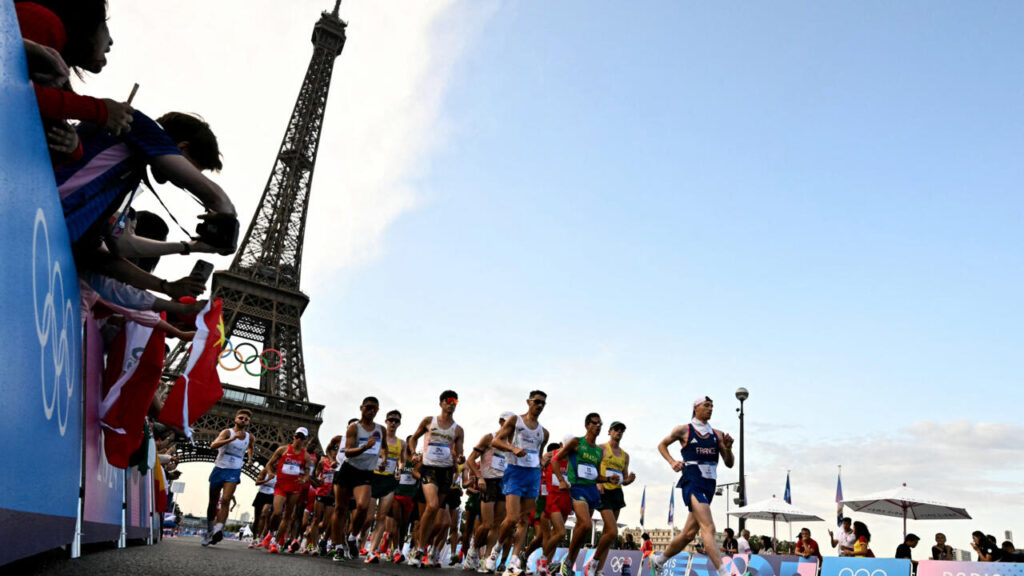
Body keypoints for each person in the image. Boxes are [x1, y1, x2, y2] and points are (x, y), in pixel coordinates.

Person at [648, 397, 735, 576]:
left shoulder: (717, 434)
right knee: (709, 528)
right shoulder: (684, 430)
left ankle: (658, 560)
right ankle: (724, 573)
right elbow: (661, 445)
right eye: (707, 405)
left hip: (710, 484)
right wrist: (672, 462)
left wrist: (728, 449)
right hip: (692, 480)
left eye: (712, 406)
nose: (711, 409)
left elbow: (729, 463)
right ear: (696, 408)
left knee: (688, 533)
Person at [490, 391, 550, 576]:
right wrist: (513, 448)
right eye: (537, 401)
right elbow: (496, 441)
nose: (539, 405)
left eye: (543, 403)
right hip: (515, 472)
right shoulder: (516, 421)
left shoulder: (544, 432)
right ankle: (497, 548)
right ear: (529, 402)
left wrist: (542, 462)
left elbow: (538, 456)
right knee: (512, 518)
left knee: (525, 520)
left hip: (532, 475)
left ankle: (513, 562)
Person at [408, 390, 466, 567]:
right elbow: (414, 438)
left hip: (446, 472)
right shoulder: (429, 421)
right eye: (449, 400)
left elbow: (460, 452)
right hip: (429, 468)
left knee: (437, 517)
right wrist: (413, 454)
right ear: (441, 403)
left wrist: (460, 458)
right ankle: (418, 549)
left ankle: (421, 546)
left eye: (455, 401)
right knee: (432, 506)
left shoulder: (458, 429)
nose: (452, 404)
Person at [553, 413, 612, 576]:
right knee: (585, 524)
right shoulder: (576, 442)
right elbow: (555, 460)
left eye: (600, 423)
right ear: (586, 425)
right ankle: (568, 562)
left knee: (582, 528)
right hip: (578, 488)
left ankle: (568, 562)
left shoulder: (599, 451)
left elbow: (596, 475)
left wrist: (608, 479)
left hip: (592, 489)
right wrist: (561, 480)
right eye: (594, 423)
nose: (598, 426)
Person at [333, 397, 387, 559]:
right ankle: (338, 547)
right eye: (368, 407)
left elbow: (384, 449)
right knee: (341, 509)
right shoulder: (354, 428)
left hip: (365, 473)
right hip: (349, 470)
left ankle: (351, 536)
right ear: (361, 408)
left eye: (375, 409)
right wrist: (365, 447)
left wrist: (383, 459)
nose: (371, 411)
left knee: (363, 507)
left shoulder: (381, 430)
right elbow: (347, 451)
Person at [465, 411, 514, 572]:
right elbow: (471, 459)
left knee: (497, 525)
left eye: (514, 425)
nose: (511, 428)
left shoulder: (513, 443)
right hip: (488, 482)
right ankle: (473, 551)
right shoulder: (489, 438)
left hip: (504, 484)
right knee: (486, 524)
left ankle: (486, 560)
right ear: (501, 422)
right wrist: (479, 477)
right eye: (508, 424)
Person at [202, 409, 254, 546]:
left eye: (246, 419)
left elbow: (250, 448)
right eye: (241, 418)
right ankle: (209, 530)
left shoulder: (250, 437)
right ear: (235, 419)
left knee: (225, 499)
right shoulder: (227, 432)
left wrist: (249, 458)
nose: (243, 420)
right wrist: (232, 438)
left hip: (234, 470)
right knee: (212, 503)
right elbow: (213, 445)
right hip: (219, 468)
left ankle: (218, 528)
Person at [592, 421, 637, 575]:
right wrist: (598, 482)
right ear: (609, 431)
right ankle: (593, 561)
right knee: (612, 531)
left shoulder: (625, 455)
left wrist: (629, 480)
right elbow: (593, 468)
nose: (619, 432)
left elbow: (624, 479)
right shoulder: (601, 448)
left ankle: (599, 569)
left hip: (617, 493)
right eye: (616, 430)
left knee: (608, 534)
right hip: (603, 491)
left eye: (621, 430)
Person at [260, 427, 314, 553]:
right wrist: (270, 473)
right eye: (298, 436)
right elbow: (269, 464)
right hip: (281, 486)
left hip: (295, 487)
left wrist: (304, 480)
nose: (299, 439)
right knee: (277, 512)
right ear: (294, 436)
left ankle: (275, 543)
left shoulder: (306, 456)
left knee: (287, 516)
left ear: (305, 440)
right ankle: (271, 533)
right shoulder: (282, 449)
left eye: (302, 437)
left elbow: (307, 473)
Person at [365, 410, 403, 563]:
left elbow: (401, 460)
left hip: (388, 481)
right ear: (386, 421)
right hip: (373, 478)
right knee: (368, 518)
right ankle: (355, 538)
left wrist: (399, 470)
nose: (393, 423)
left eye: (396, 421)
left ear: (399, 424)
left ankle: (372, 551)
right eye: (391, 420)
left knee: (381, 517)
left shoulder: (402, 443)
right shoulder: (377, 438)